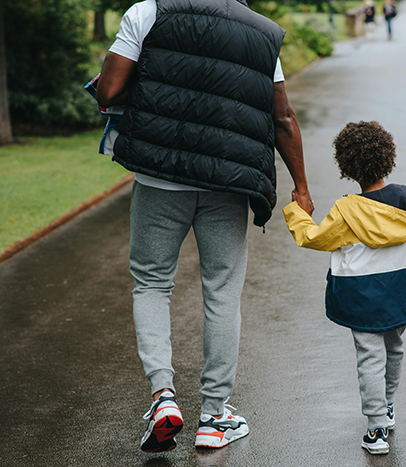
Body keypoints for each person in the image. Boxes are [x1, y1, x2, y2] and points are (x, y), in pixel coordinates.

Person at [95, 0, 314, 453]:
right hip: (227, 183)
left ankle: (163, 397)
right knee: (222, 289)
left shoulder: (148, 12)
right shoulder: (262, 32)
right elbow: (282, 117)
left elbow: (109, 91)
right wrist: (302, 187)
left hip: (159, 177)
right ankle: (215, 416)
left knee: (152, 283)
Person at [283, 121, 406, 455]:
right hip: (400, 289)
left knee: (369, 358)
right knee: (395, 347)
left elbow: (314, 239)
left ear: (347, 168)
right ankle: (387, 406)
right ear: (388, 158)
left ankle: (376, 429)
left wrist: (297, 214)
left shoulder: (347, 210)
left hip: (360, 296)